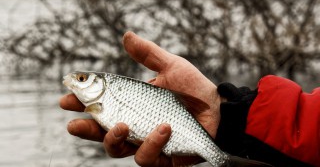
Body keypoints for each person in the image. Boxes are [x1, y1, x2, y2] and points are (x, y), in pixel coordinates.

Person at [60, 32, 318, 167]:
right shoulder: (97, 102)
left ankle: (224, 161)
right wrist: (227, 115)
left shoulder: (102, 98)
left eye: (82, 79)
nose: (76, 80)